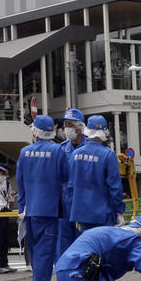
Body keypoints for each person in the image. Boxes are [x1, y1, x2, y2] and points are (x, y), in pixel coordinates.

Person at [17, 114, 70, 281]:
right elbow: (66, 177)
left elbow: (20, 183)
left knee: (36, 250)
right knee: (48, 251)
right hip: (51, 209)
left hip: (31, 210)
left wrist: (22, 208)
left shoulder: (24, 152)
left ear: (36, 131)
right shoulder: (58, 151)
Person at [68, 115, 124, 234]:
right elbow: (115, 187)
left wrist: (75, 213)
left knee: (87, 249)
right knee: (104, 249)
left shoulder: (75, 154)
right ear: (104, 132)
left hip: (82, 214)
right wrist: (119, 211)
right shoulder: (108, 155)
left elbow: (71, 186)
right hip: (104, 214)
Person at [57, 108, 86, 257]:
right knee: (64, 246)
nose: (65, 128)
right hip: (65, 206)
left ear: (79, 127)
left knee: (84, 244)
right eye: (65, 125)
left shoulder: (90, 148)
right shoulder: (61, 149)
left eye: (69, 125)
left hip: (84, 204)